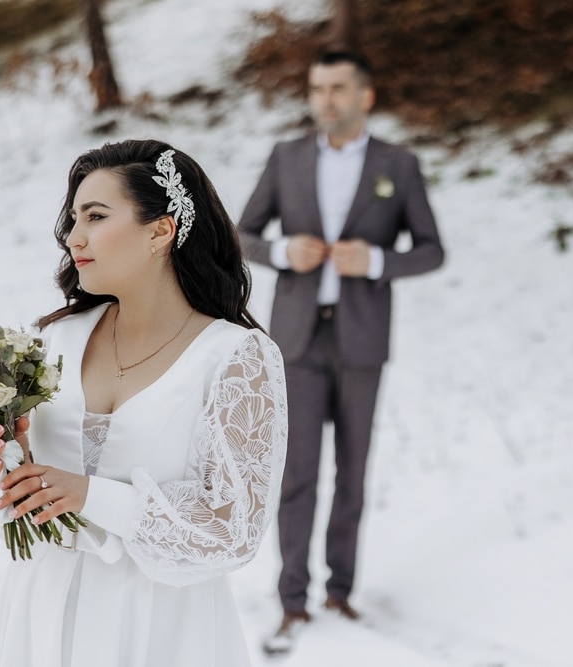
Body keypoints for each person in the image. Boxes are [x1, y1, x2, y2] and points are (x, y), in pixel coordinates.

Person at [0, 139, 288, 667]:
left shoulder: (236, 357)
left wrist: (94, 496)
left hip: (160, 626)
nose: (73, 236)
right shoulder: (52, 341)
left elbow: (233, 530)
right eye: (72, 219)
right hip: (40, 612)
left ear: (160, 230)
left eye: (94, 215)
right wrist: (4, 457)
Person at [237, 51, 445, 653]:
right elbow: (241, 234)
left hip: (361, 338)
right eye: (316, 88)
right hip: (296, 339)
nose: (324, 99)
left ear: (365, 96)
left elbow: (431, 249)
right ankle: (292, 602)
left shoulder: (397, 166)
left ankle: (342, 592)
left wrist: (377, 260)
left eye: (337, 88)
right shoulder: (287, 158)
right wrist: (281, 252)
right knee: (297, 474)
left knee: (352, 472)